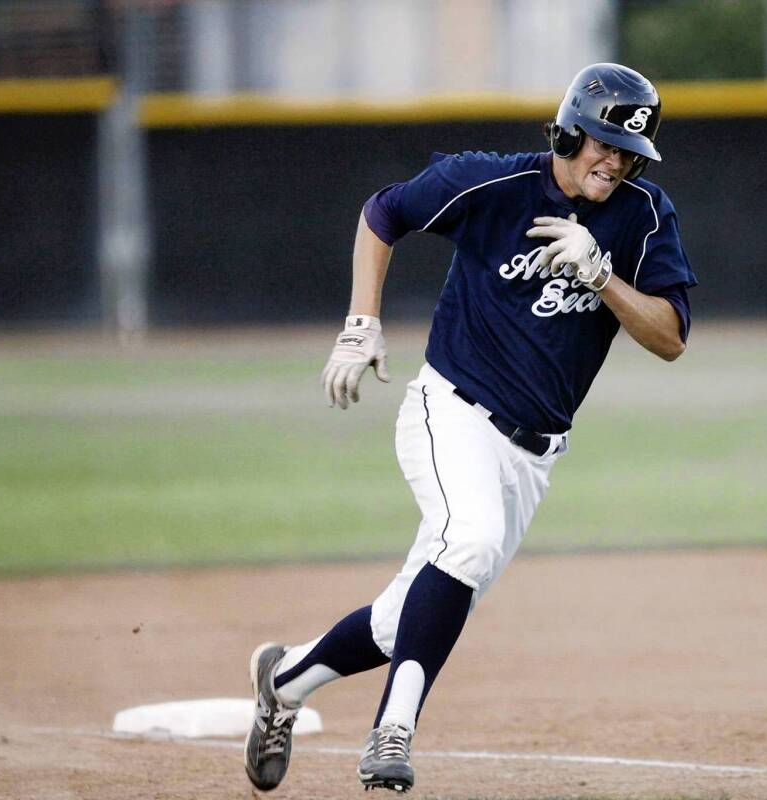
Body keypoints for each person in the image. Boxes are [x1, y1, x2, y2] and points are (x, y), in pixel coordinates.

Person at [244, 62, 697, 794]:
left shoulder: (644, 215)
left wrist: (602, 276)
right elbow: (381, 214)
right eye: (601, 143)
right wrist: (362, 322)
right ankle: (393, 729)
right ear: (567, 131)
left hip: (534, 455)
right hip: (450, 409)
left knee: (410, 614)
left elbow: (672, 337)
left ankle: (283, 682)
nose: (613, 161)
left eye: (628, 151)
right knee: (472, 542)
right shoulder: (488, 183)